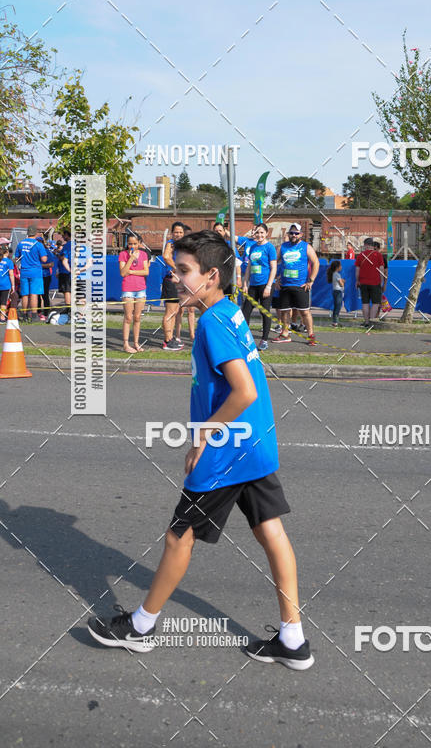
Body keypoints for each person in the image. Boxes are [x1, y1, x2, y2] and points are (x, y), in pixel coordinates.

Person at [87, 230, 314, 670]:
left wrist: (204, 436)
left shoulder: (211, 323)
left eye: (184, 270)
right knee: (270, 531)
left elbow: (244, 390)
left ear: (211, 276)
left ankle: (140, 627)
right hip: (255, 443)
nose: (175, 278)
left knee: (179, 535)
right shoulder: (229, 311)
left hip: (227, 452)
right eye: (175, 269)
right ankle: (293, 639)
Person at [273, 223, 319, 346]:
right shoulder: (282, 247)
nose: (294, 235)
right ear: (288, 234)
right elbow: (273, 263)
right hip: (285, 285)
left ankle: (311, 335)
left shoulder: (306, 247)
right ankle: (285, 334)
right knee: (284, 311)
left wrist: (311, 280)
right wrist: (276, 279)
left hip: (300, 286)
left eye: (296, 233)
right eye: (291, 233)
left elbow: (316, 262)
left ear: (301, 235)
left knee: (304, 312)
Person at [241, 223, 277, 351]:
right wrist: (245, 284)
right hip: (253, 285)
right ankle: (245, 339)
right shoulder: (253, 247)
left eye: (262, 232)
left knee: (264, 311)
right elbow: (249, 268)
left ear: (266, 233)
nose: (259, 235)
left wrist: (268, 286)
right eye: (257, 232)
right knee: (245, 311)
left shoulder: (270, 247)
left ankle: (264, 340)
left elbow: (274, 268)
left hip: (265, 285)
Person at [118, 232, 149, 353]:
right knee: (128, 317)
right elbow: (122, 273)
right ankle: (126, 344)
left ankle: (136, 343)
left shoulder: (144, 254)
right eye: (130, 244)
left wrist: (131, 272)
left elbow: (146, 272)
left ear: (139, 243)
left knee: (137, 317)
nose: (132, 246)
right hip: (128, 289)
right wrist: (131, 259)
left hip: (141, 289)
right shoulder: (123, 254)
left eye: (135, 244)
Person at [161, 222, 187, 351]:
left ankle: (171, 338)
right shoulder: (170, 243)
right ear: (172, 233)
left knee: (175, 311)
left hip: (179, 281)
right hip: (171, 280)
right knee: (170, 312)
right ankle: (167, 341)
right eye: (176, 232)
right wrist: (177, 268)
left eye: (180, 232)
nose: (178, 234)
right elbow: (166, 256)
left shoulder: (182, 246)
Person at [14, 225, 47, 323]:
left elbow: (16, 258)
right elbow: (44, 259)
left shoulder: (21, 243)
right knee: (34, 294)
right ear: (36, 233)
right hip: (35, 272)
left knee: (25, 294)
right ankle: (34, 315)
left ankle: (24, 315)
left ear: (27, 233)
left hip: (24, 271)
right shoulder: (38, 244)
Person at [355, 237, 385, 326]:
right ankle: (372, 322)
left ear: (366, 245)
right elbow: (381, 269)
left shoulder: (360, 255)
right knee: (375, 303)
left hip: (363, 282)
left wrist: (357, 281)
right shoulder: (378, 255)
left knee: (365, 303)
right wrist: (381, 281)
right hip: (375, 282)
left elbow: (357, 270)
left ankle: (366, 321)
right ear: (372, 245)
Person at [37, 232, 55, 321]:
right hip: (36, 276)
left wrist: (41, 266)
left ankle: (46, 313)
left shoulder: (47, 252)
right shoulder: (34, 252)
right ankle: (38, 312)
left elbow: (51, 264)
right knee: (37, 295)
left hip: (45, 276)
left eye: (39, 243)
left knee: (45, 295)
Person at [57, 230, 72, 308]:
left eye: (63, 235)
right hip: (69, 271)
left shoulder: (67, 245)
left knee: (66, 290)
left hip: (65, 271)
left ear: (67, 235)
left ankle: (68, 307)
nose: (62, 237)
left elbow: (63, 258)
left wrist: (57, 255)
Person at [0, 245, 16, 322]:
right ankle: (2, 317)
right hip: (5, 285)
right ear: (6, 252)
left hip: (3, 284)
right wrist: (13, 285)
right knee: (3, 301)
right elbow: (11, 275)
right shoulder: (9, 262)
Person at [327, 260, 345, 326]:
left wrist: (341, 280)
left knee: (336, 307)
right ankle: (335, 322)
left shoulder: (334, 274)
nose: (341, 267)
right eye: (340, 266)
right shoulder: (337, 274)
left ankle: (335, 321)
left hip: (335, 291)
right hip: (338, 292)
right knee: (338, 307)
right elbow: (341, 284)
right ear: (337, 267)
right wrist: (343, 282)